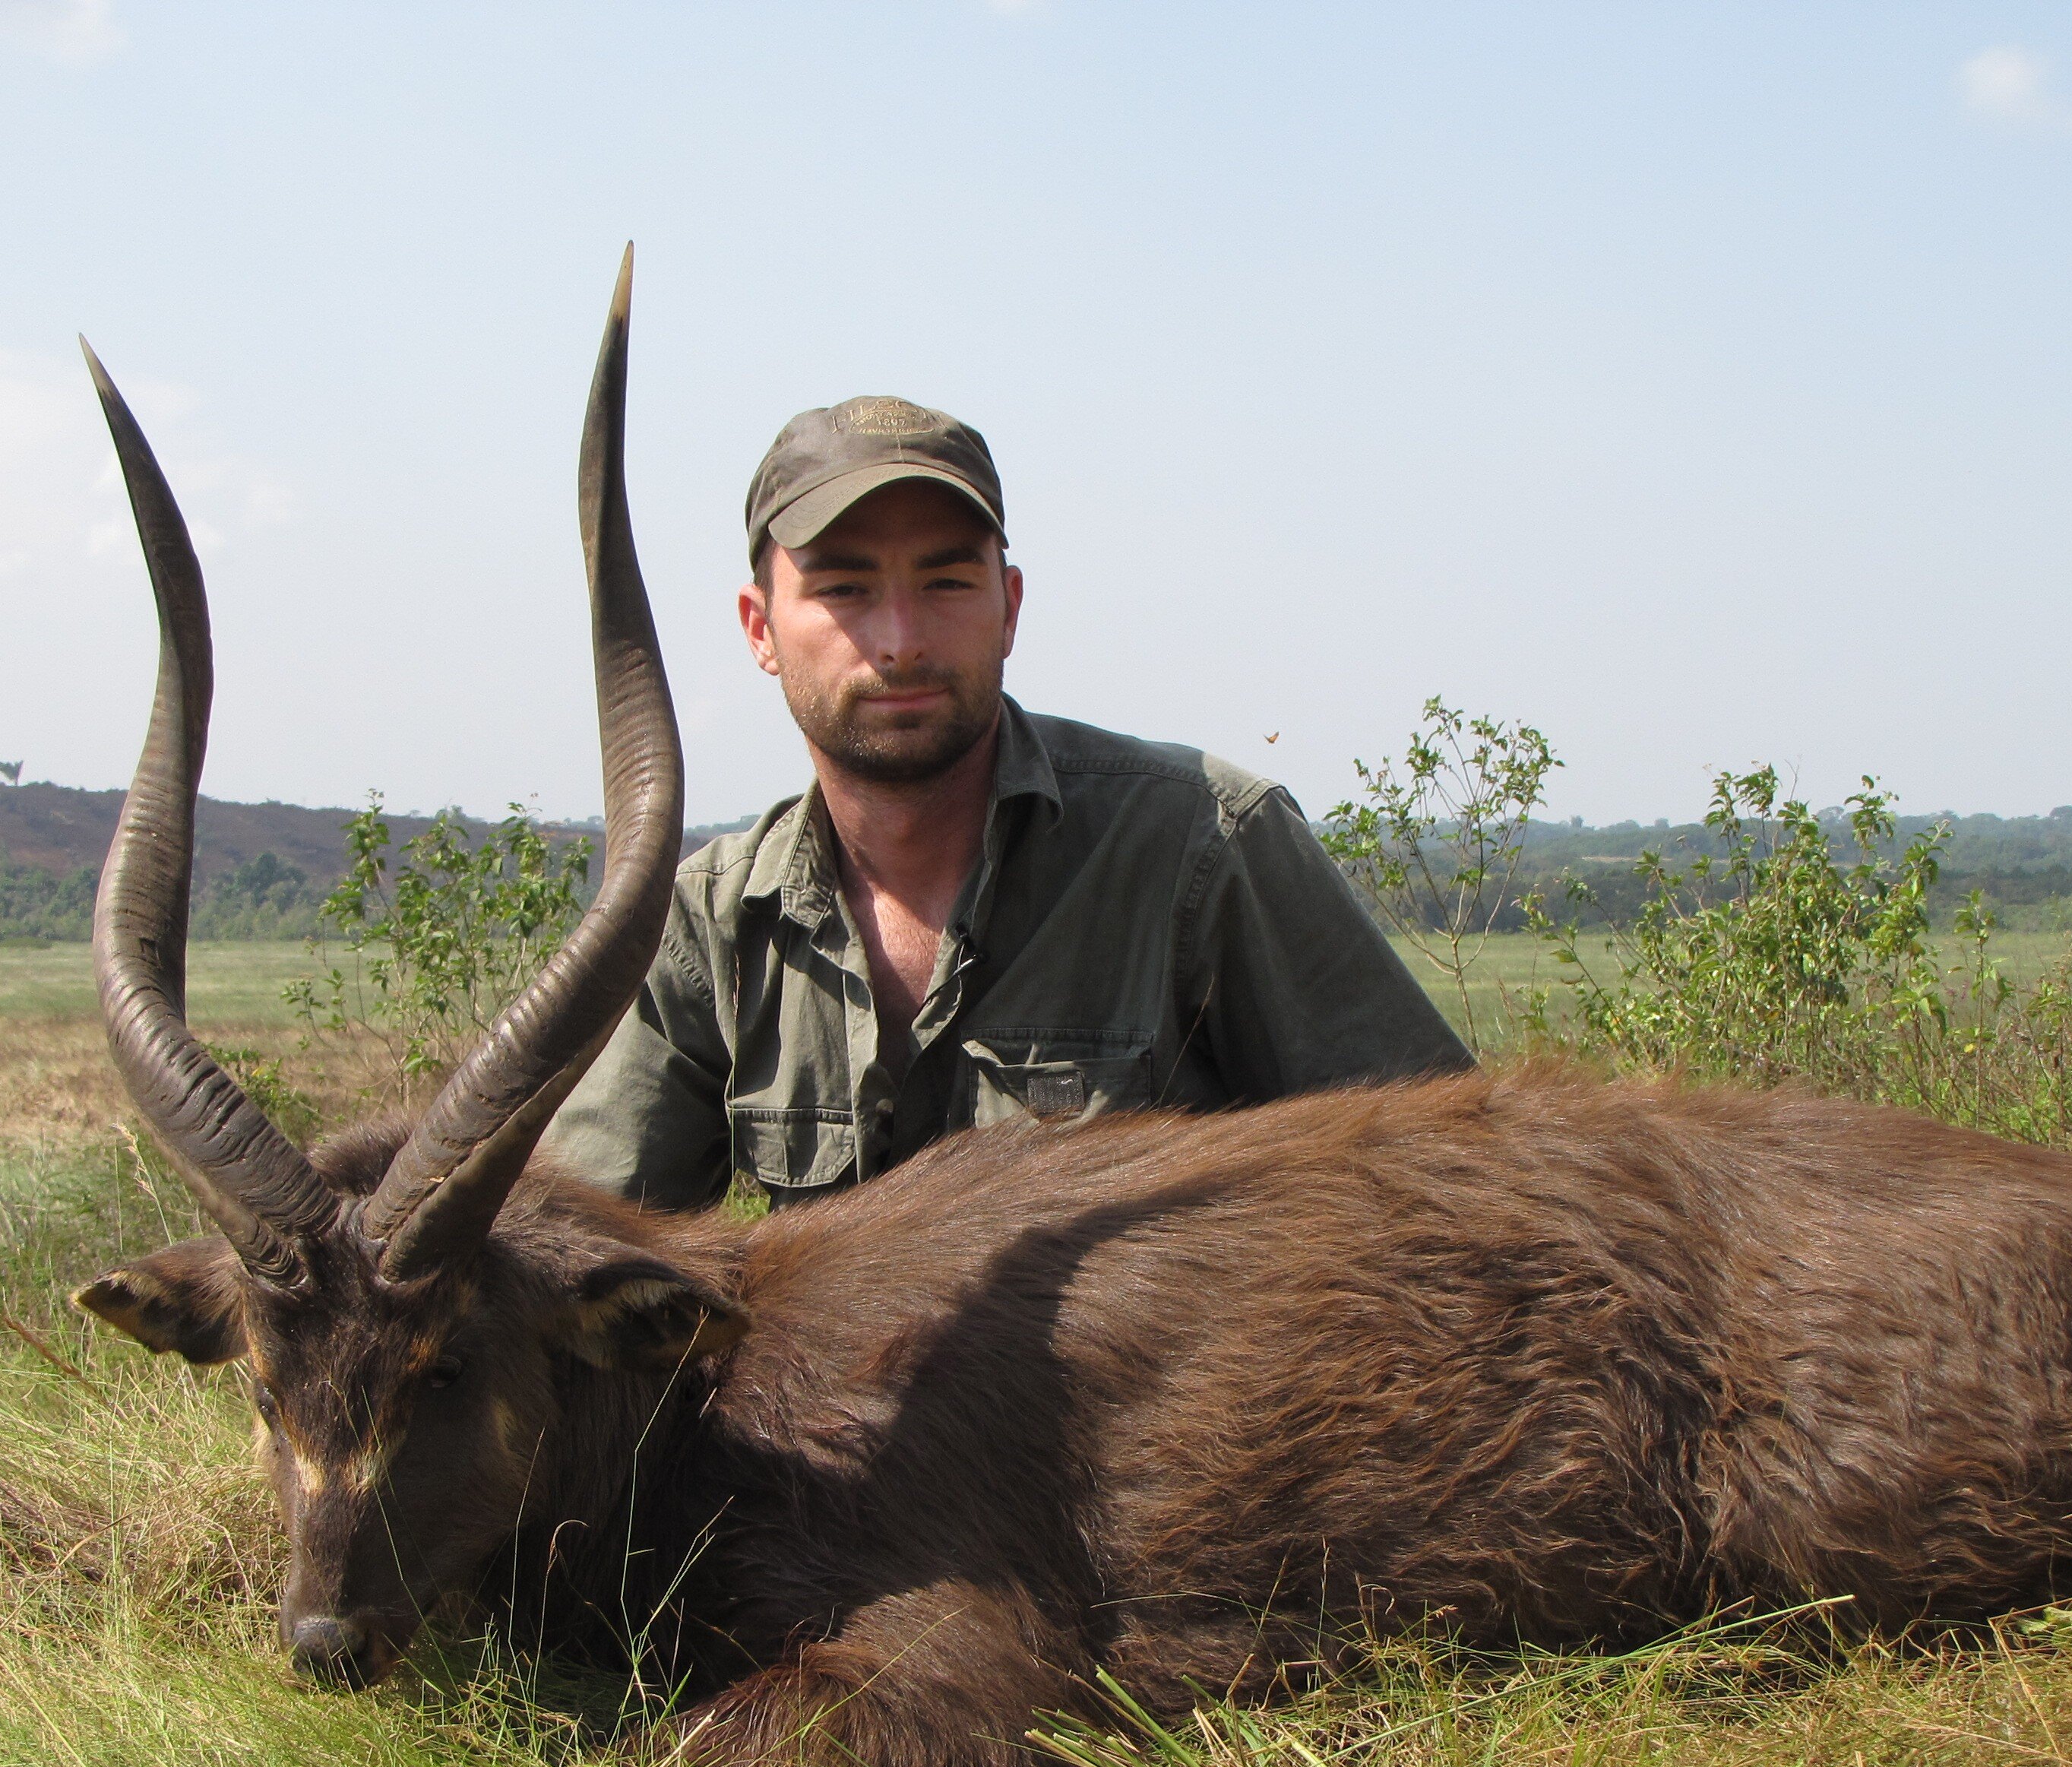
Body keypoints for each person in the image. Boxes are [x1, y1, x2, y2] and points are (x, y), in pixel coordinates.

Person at [544, 393, 1471, 1208]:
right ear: (761, 629)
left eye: (947, 582)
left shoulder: (1207, 845)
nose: (901, 640)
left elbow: (1459, 1180)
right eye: (844, 588)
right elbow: (568, 1252)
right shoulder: (708, 928)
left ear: (1011, 607)